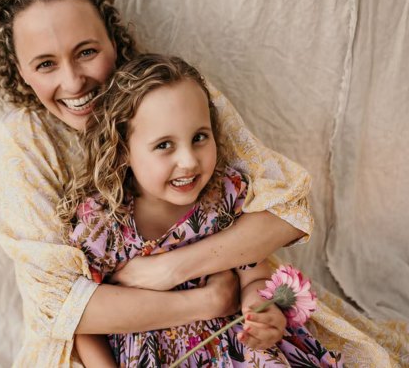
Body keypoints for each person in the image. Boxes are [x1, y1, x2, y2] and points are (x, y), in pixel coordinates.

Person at [0, 0, 409, 367]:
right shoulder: (28, 145)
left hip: (234, 330)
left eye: (86, 51)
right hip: (121, 344)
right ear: (20, 72)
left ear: (113, 41)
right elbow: (65, 308)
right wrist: (210, 300)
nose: (74, 81)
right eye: (45, 64)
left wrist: (172, 270)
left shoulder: (172, 92)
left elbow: (284, 210)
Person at [63, 53, 343, 367]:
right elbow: (84, 323)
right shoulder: (102, 223)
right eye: (164, 145)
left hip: (235, 351)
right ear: (123, 149)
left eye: (199, 137)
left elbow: (254, 274)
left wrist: (262, 311)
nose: (189, 161)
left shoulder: (223, 198)